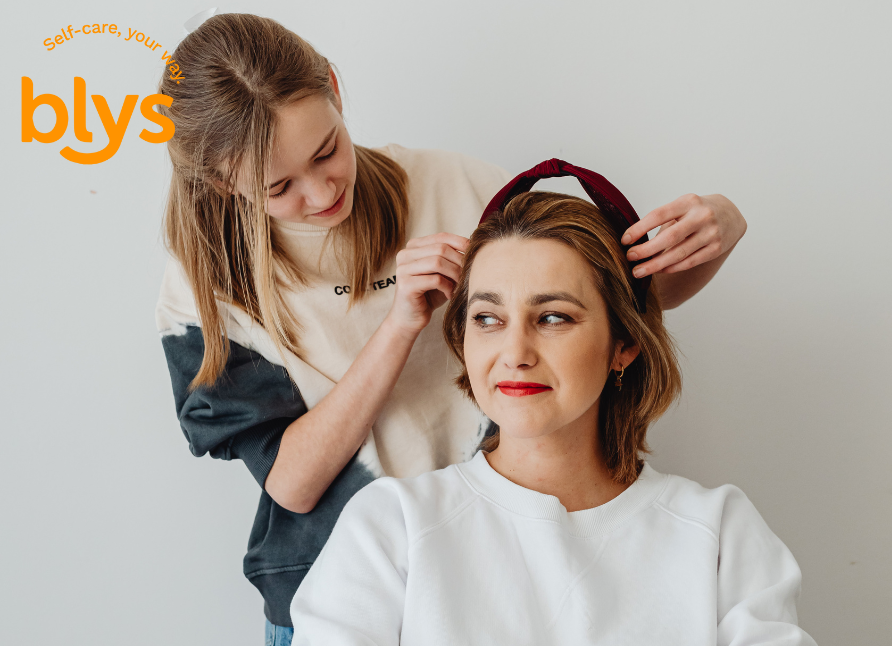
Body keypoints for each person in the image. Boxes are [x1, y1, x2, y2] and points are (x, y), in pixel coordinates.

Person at [153, 13, 748, 642]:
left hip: (503, 572)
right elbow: (292, 485)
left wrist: (722, 230)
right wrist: (401, 324)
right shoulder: (203, 287)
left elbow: (624, 308)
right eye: (279, 187)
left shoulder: (456, 188)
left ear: (333, 86)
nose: (323, 189)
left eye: (328, 149)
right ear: (222, 180)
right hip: (332, 592)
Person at [289, 176, 815, 646]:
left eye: (554, 317)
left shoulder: (719, 533)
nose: (515, 352)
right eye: (488, 318)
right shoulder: (392, 526)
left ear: (624, 343)